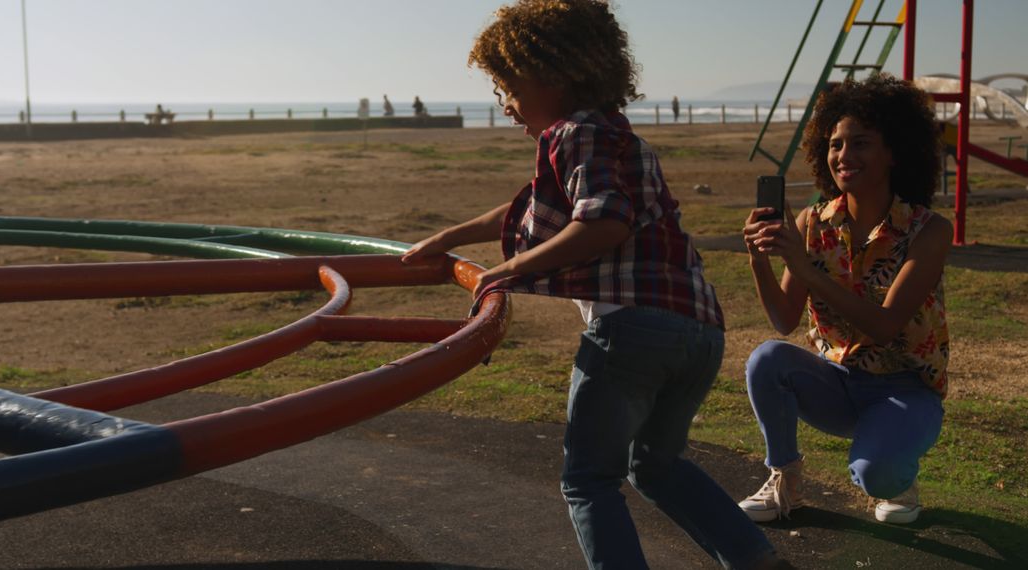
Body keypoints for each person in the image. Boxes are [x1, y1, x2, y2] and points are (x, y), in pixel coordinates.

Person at [403, 1, 784, 568]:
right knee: (656, 465)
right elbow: (523, 209)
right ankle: (757, 560)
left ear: (554, 76)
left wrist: (508, 270)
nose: (505, 105)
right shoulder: (618, 138)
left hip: (632, 330)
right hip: (698, 332)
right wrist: (446, 237)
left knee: (587, 479)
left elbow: (604, 221)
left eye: (508, 86)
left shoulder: (571, 134)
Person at [738, 73, 950, 525]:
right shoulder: (814, 223)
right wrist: (759, 260)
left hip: (906, 392)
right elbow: (783, 319)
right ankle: (785, 478)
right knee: (767, 359)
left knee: (876, 475)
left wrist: (803, 267)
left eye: (861, 144)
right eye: (835, 144)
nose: (843, 156)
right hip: (837, 382)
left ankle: (899, 476)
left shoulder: (928, 230)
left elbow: (885, 325)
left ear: (893, 152)